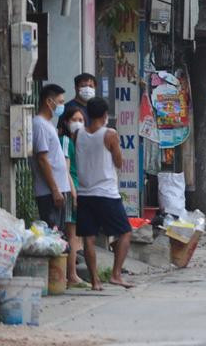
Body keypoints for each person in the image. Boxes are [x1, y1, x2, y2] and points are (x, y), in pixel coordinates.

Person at [75, 98, 133, 290]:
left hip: (84, 193)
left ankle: (95, 281)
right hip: (106, 193)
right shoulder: (109, 134)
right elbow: (118, 162)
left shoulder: (78, 134)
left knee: (88, 238)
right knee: (125, 232)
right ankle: (116, 274)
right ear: (105, 114)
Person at [31, 84, 73, 232]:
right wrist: (55, 190)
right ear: (49, 102)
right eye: (60, 102)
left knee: (58, 237)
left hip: (57, 191)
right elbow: (42, 159)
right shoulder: (40, 125)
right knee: (52, 236)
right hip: (49, 193)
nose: (62, 106)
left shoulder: (48, 124)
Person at [57, 105, 89, 288]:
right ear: (66, 122)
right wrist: (74, 193)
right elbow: (65, 170)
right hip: (71, 191)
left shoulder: (79, 142)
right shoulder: (66, 141)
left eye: (81, 120)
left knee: (76, 234)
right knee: (71, 233)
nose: (78, 123)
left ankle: (72, 274)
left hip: (79, 190)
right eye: (74, 120)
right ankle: (71, 275)